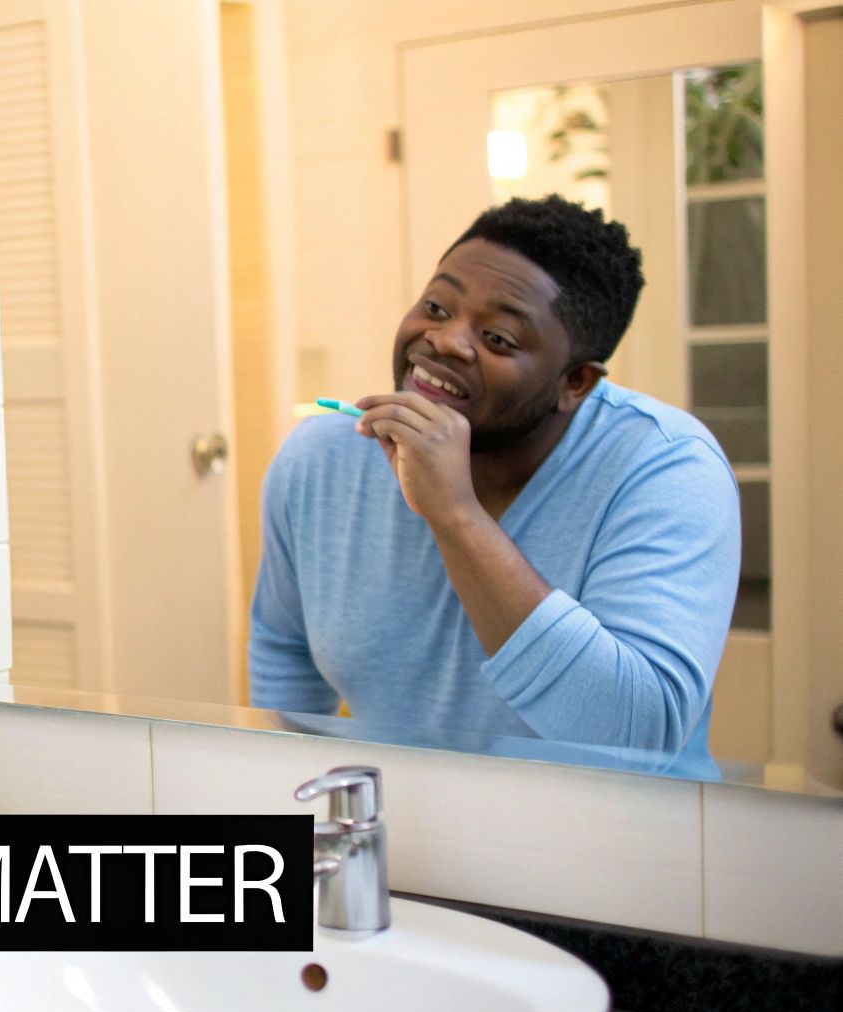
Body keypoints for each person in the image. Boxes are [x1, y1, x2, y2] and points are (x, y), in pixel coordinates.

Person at [248, 196, 739, 774]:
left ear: (574, 383)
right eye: (436, 305)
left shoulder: (667, 469)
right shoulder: (322, 459)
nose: (445, 339)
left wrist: (454, 512)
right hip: (416, 836)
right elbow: (286, 651)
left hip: (620, 847)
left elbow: (635, 732)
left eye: (498, 338)